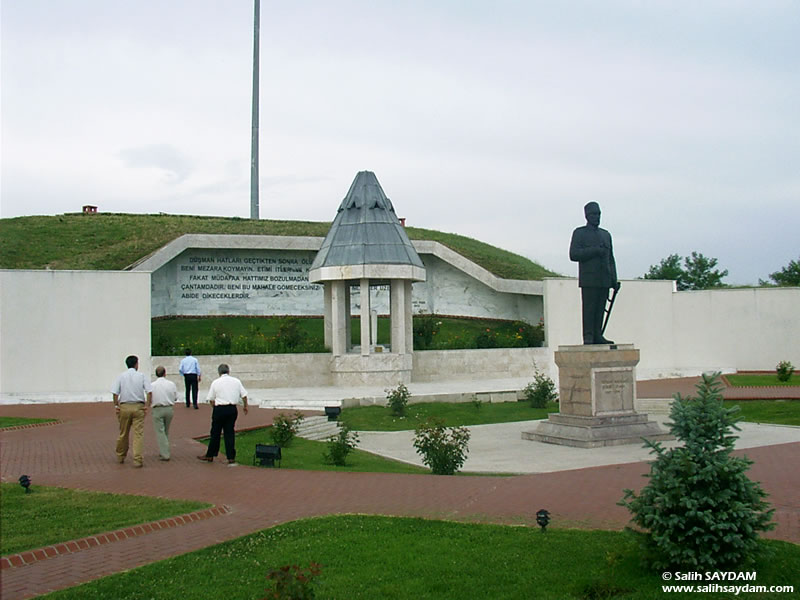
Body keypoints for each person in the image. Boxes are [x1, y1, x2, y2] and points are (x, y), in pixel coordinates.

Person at [569, 202, 621, 345]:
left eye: (598, 214)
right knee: (589, 309)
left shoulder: (606, 235)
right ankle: (588, 336)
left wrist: (614, 279)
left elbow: (611, 258)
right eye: (593, 214)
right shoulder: (579, 233)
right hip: (589, 278)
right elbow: (573, 254)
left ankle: (598, 334)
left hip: (604, 278)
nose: (597, 217)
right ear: (587, 216)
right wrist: (594, 251)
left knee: (600, 310)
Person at [197, 364, 248, 466]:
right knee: (229, 432)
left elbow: (211, 399)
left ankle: (210, 454)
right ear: (228, 371)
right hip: (232, 409)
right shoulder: (236, 381)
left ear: (219, 372)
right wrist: (245, 406)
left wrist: (215, 408)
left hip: (219, 409)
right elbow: (244, 395)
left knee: (215, 432)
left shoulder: (216, 382)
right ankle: (231, 457)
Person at [111, 355, 152, 467]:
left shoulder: (121, 376)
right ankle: (137, 459)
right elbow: (149, 392)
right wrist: (147, 405)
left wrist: (116, 405)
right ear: (136, 364)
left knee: (123, 432)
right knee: (138, 434)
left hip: (124, 406)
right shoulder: (141, 376)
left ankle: (120, 455)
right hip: (138, 406)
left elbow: (115, 393)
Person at [151, 365, 178, 461]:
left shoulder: (152, 385)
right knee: (165, 431)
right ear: (165, 373)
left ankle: (165, 454)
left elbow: (150, 397)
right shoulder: (171, 384)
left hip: (157, 409)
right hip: (169, 408)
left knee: (160, 432)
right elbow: (175, 397)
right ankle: (164, 450)